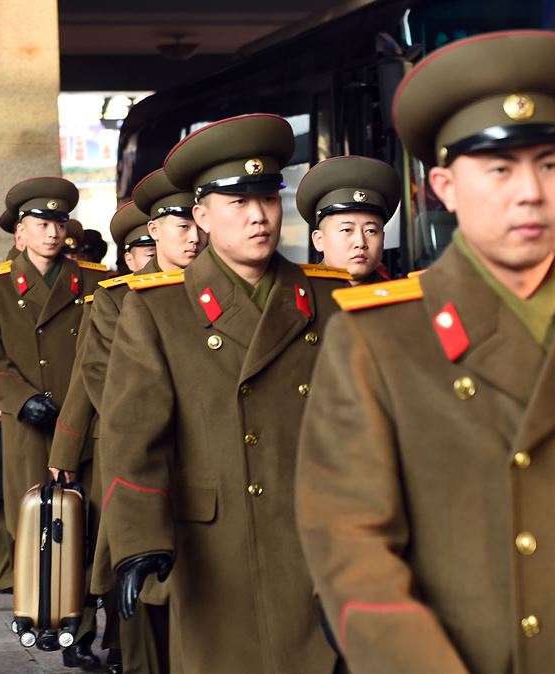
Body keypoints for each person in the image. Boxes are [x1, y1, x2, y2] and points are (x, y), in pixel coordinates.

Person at [295, 31, 555, 674]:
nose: (529, 192)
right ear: (443, 186)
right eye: (499, 168)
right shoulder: (379, 338)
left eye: (549, 164)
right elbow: (353, 550)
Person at [100, 114, 348, 674]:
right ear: (202, 215)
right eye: (238, 203)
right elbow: (131, 433)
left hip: (321, 545)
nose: (258, 215)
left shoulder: (331, 300)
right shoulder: (159, 310)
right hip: (217, 549)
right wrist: (138, 539)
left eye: (267, 197)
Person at [53, 175, 205, 673]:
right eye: (180, 226)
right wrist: (66, 453)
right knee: (136, 569)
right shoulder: (118, 298)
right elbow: (97, 378)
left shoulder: (222, 288)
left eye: (196, 225)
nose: (193, 238)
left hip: (209, 459)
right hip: (138, 453)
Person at [0, 177, 106, 650]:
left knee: (85, 523)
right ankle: (38, 612)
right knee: (36, 526)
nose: (52, 232)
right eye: (41, 223)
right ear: (20, 232)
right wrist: (22, 399)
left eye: (58, 222)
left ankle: (77, 629)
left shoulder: (93, 280)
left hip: (81, 421)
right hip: (27, 426)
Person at [297, 155, 399, 285]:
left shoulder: (401, 300)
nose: (361, 242)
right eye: (347, 230)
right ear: (319, 240)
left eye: (371, 231)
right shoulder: (294, 299)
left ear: (383, 239)